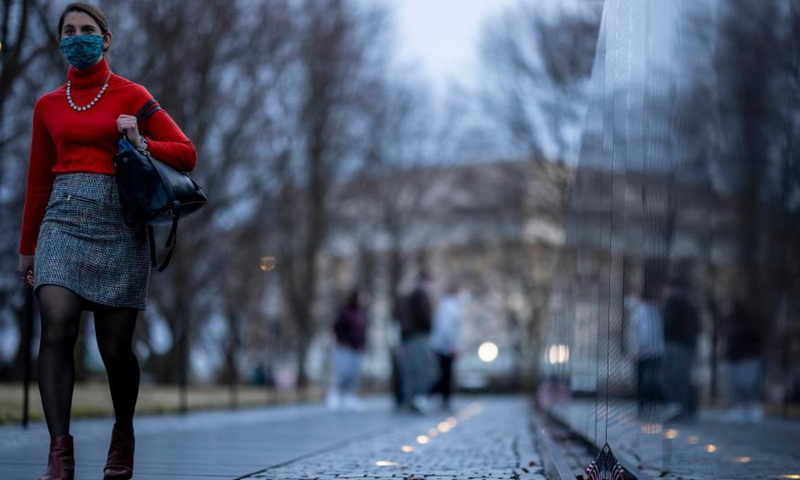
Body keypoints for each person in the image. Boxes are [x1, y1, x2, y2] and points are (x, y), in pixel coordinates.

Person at [16, 4, 197, 479]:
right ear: (60, 43)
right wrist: (27, 247)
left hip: (120, 224)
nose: (78, 38)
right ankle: (60, 452)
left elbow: (187, 154)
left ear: (106, 38)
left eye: (87, 31)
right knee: (56, 325)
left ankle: (123, 434)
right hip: (61, 220)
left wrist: (141, 140)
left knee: (116, 350)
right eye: (69, 32)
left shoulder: (132, 94)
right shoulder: (47, 106)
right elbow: (37, 181)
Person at [661, 278, 701, 420]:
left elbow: (669, 324)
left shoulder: (674, 302)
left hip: (677, 344)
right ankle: (683, 408)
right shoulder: (690, 304)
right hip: (686, 344)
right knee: (681, 377)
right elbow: (697, 325)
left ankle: (677, 407)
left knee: (674, 377)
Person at [624, 287, 665, 419]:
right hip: (653, 352)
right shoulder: (650, 310)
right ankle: (649, 408)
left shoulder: (641, 311)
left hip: (646, 353)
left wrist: (637, 350)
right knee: (649, 380)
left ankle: (647, 408)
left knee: (644, 381)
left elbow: (644, 333)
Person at [720, 300, 764, 423]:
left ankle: (754, 409)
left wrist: (748, 356)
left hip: (745, 359)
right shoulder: (730, 323)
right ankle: (738, 410)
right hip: (733, 359)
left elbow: (754, 341)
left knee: (747, 385)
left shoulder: (746, 324)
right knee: (735, 386)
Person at [398, 271, 435, 413]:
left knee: (410, 370)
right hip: (417, 335)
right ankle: (418, 398)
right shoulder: (419, 295)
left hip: (408, 336)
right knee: (422, 368)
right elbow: (425, 317)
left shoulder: (409, 296)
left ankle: (409, 400)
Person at [326, 289, 369, 411]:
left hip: (357, 348)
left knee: (353, 374)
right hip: (345, 348)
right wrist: (342, 341)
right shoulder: (345, 312)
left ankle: (349, 397)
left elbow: (362, 332)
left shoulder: (360, 314)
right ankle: (334, 395)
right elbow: (336, 327)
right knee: (343, 372)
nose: (364, 299)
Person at [428, 283, 466, 411]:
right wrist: (452, 345)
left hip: (445, 346)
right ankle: (432, 395)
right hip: (445, 347)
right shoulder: (449, 307)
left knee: (445, 373)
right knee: (444, 373)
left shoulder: (450, 306)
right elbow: (447, 328)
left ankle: (443, 398)